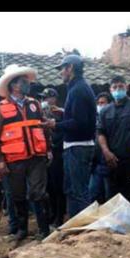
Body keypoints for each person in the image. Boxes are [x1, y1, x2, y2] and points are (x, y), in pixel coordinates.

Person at [0, 65, 53, 241]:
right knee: (17, 195)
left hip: (36, 157)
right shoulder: (0, 108)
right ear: (14, 85)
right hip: (13, 159)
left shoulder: (34, 104)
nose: (27, 84)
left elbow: (43, 128)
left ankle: (44, 229)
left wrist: (48, 149)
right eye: (23, 81)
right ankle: (22, 230)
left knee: (37, 193)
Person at [43, 54, 96, 218]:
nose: (61, 73)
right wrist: (64, 112)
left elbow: (80, 123)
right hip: (76, 147)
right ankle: (76, 228)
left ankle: (86, 230)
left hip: (78, 147)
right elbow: (82, 116)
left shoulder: (78, 90)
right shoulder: (78, 87)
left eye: (62, 69)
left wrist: (55, 124)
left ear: (70, 68)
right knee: (71, 190)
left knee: (79, 191)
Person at [97, 76, 130, 207]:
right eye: (115, 87)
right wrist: (105, 151)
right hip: (112, 160)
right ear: (110, 90)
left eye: (121, 86)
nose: (118, 90)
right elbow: (100, 132)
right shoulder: (105, 111)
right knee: (112, 197)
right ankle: (114, 226)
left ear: (126, 88)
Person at [40, 88, 66, 228]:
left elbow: (62, 132)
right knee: (48, 188)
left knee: (58, 188)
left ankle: (59, 217)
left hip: (58, 154)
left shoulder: (61, 113)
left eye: (47, 98)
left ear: (54, 99)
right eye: (43, 99)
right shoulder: (40, 115)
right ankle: (52, 214)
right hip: (45, 154)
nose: (44, 102)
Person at [89, 92, 112, 204]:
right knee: (93, 194)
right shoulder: (94, 121)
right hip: (97, 164)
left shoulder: (113, 120)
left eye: (103, 103)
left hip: (110, 163)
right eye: (98, 103)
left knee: (110, 197)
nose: (100, 105)